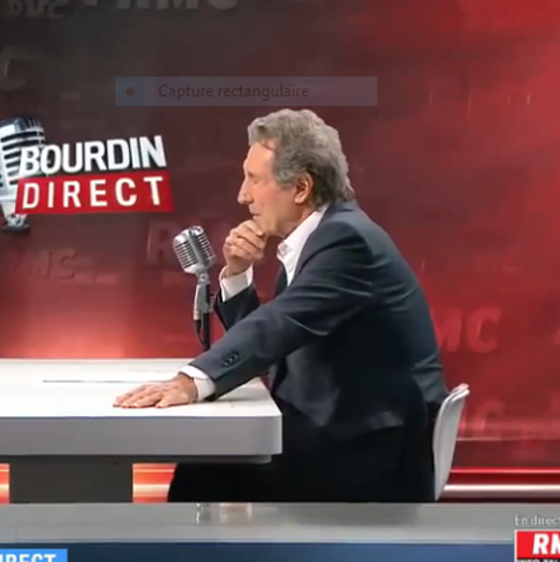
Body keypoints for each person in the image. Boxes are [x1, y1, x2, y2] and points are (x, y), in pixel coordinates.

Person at [115, 109, 448, 503]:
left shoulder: (346, 241)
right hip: (344, 434)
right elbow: (277, 344)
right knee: (210, 462)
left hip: (370, 454)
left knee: (208, 468)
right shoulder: (324, 236)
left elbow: (276, 326)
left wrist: (190, 382)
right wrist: (237, 273)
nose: (243, 195)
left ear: (302, 187)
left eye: (255, 180)